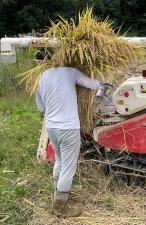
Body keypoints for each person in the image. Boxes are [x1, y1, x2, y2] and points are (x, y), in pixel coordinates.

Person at [36, 66, 104, 217]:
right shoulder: (70, 72)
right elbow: (93, 84)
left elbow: (40, 107)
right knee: (68, 168)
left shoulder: (43, 75)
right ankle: (60, 208)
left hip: (52, 127)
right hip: (68, 128)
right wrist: (102, 83)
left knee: (59, 161)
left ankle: (57, 195)